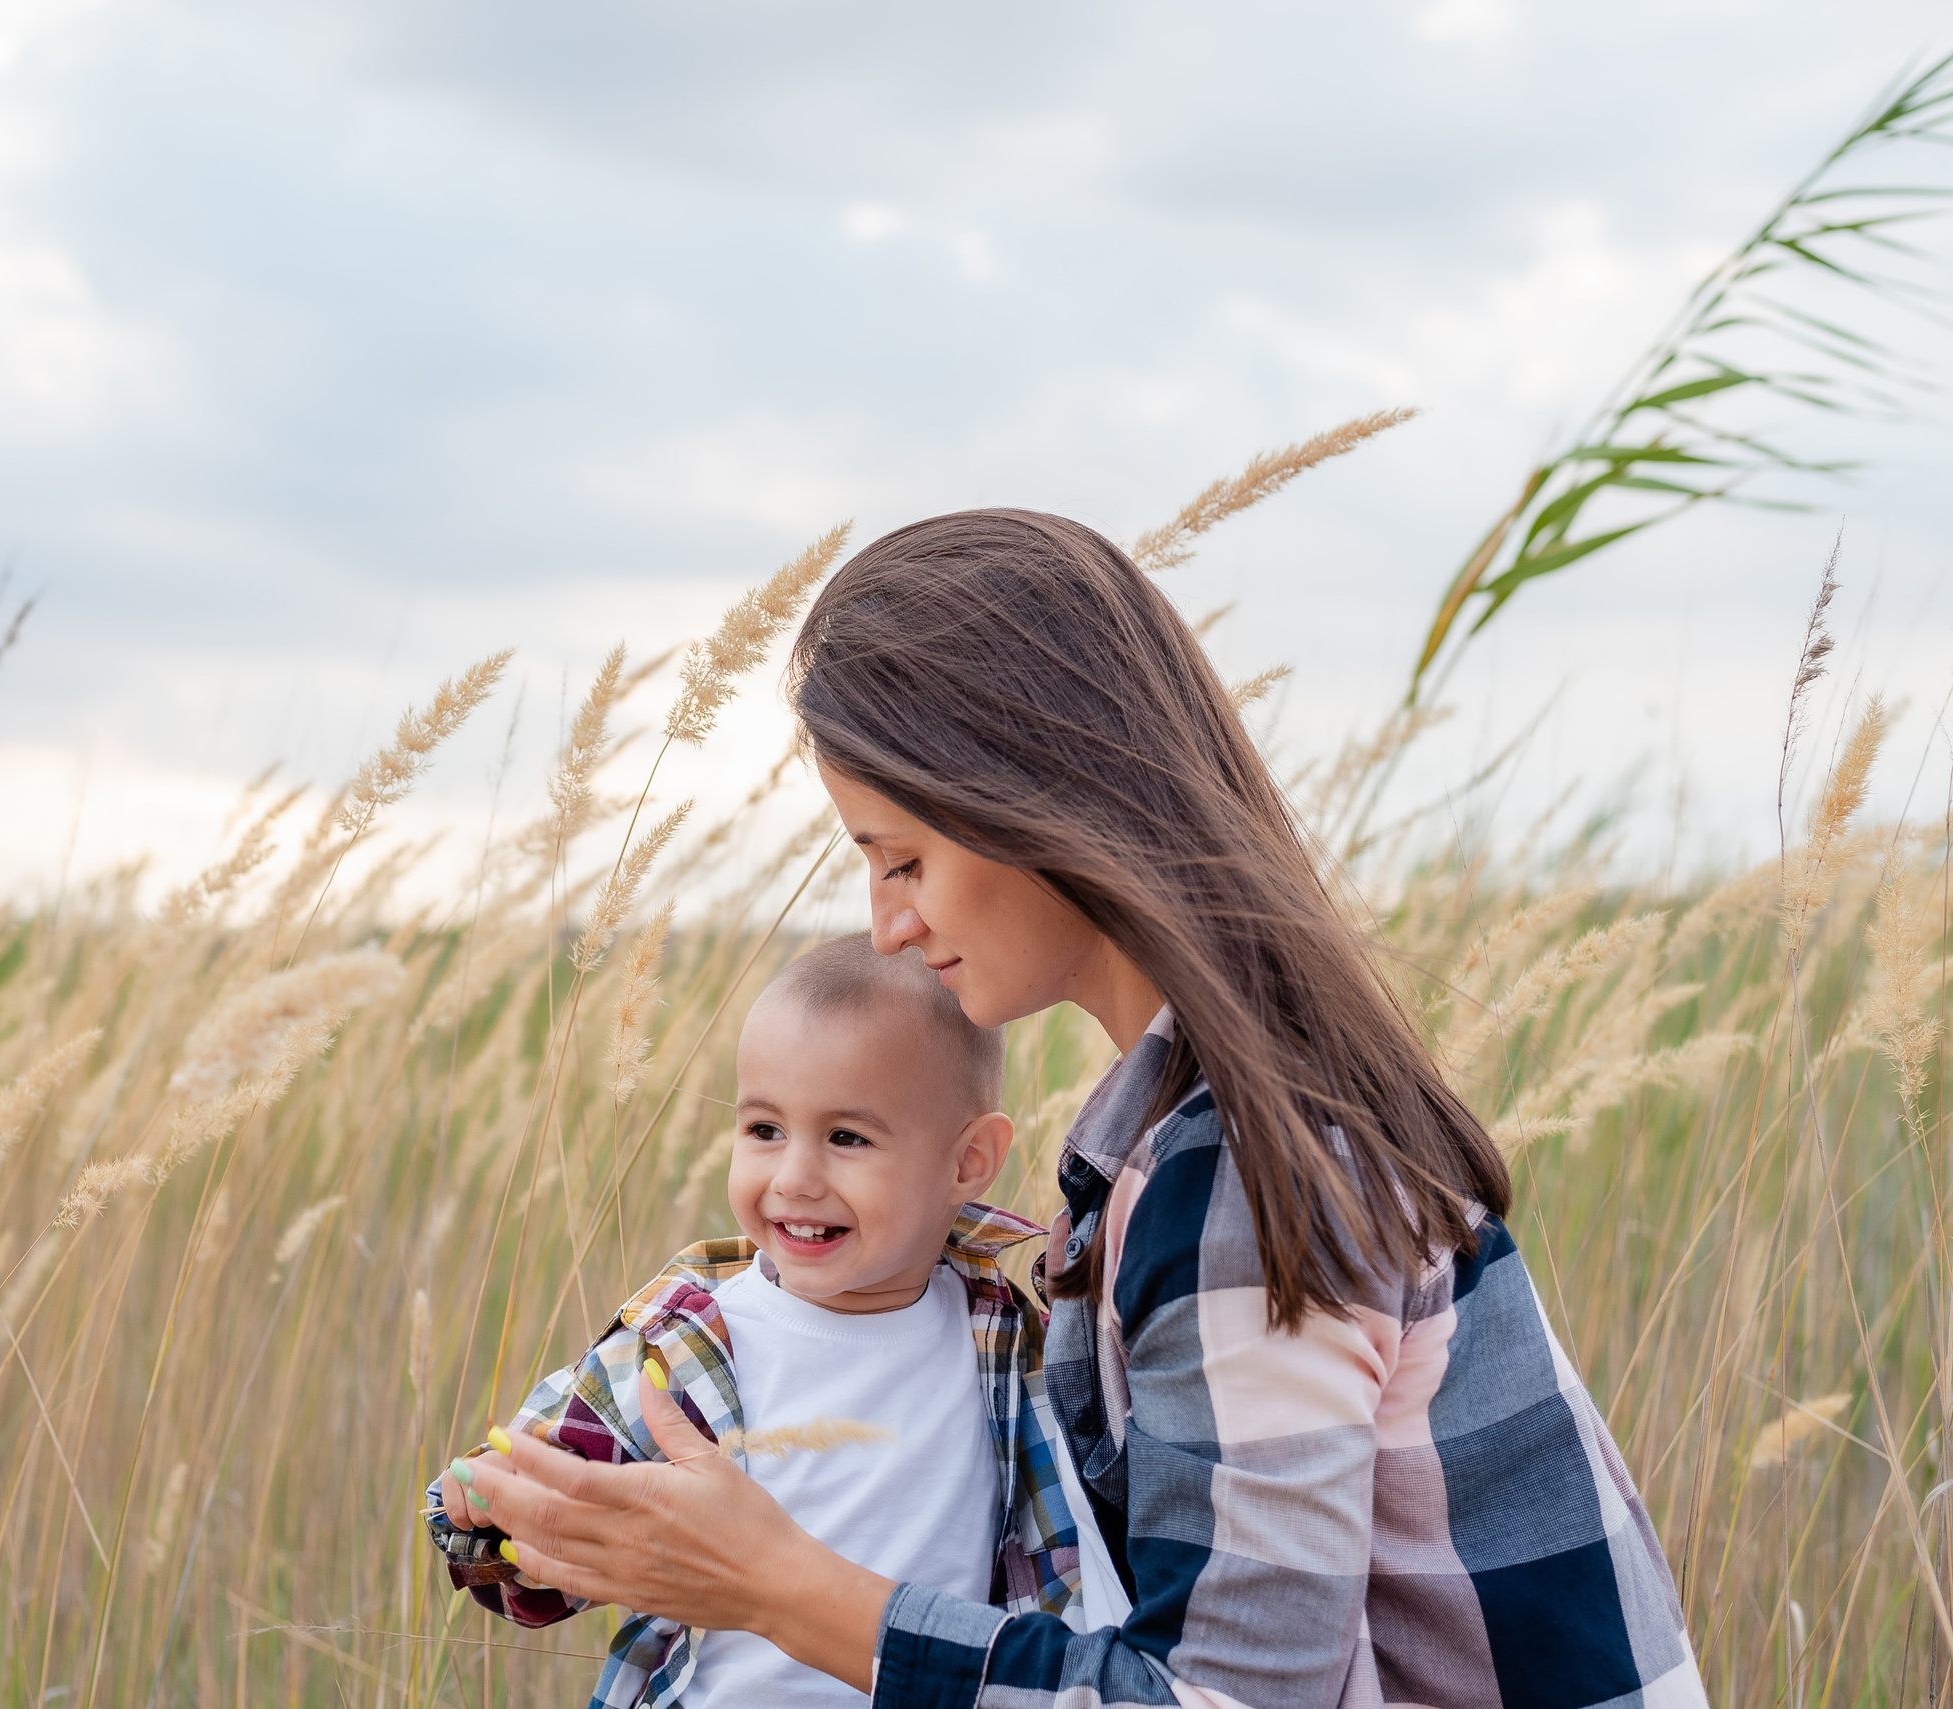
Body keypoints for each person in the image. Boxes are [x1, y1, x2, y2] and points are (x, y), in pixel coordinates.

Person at [452, 510, 1707, 1709]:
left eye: (903, 858)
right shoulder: (1203, 1139)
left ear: (1036, 800)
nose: (887, 923)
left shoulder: (1237, 1183)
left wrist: (778, 1586)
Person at [428, 933, 1107, 1708]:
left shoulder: (1009, 1342)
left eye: (847, 1137)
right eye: (763, 1129)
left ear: (969, 1161)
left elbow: (1069, 1564)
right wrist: (491, 1512)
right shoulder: (684, 1340)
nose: (794, 1177)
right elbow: (562, 1526)